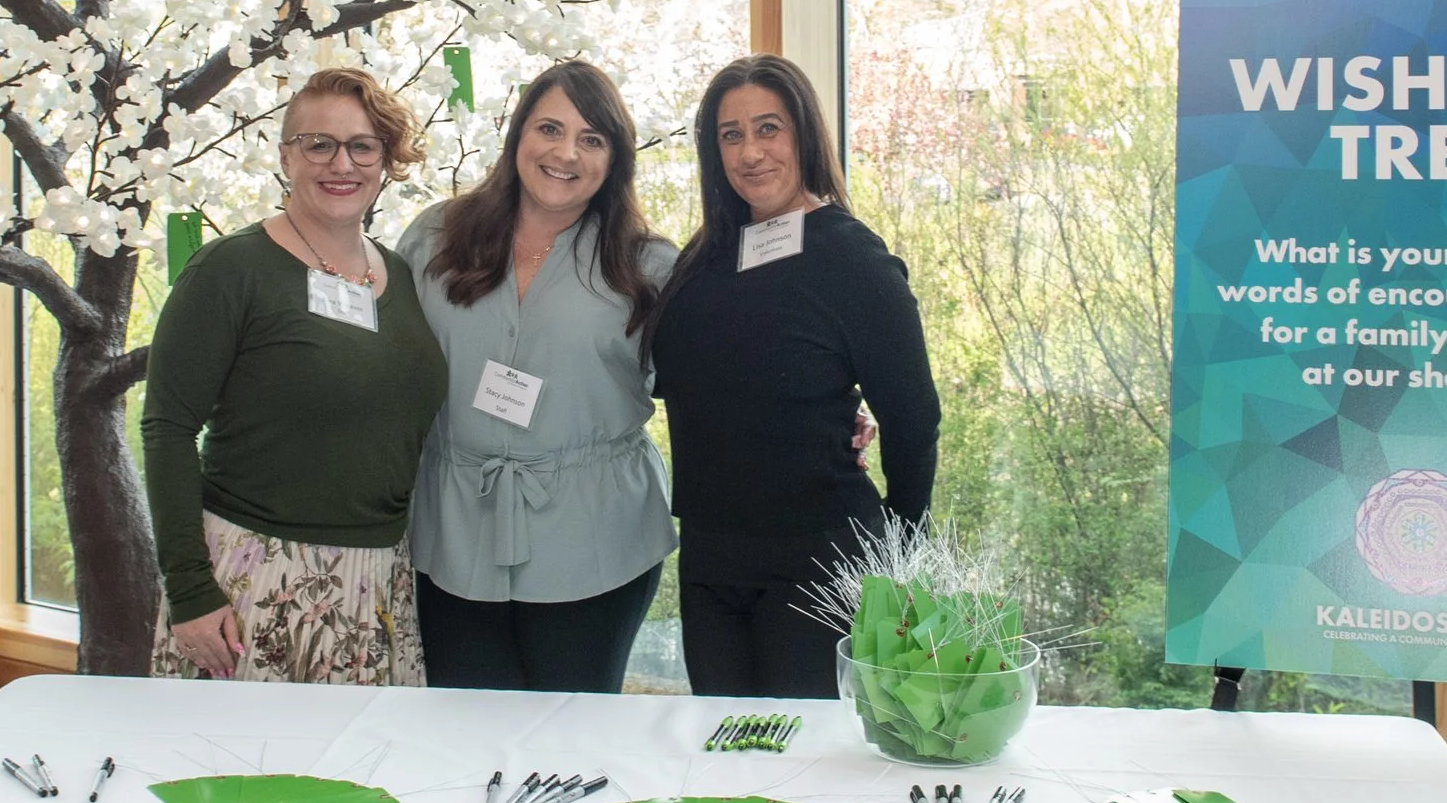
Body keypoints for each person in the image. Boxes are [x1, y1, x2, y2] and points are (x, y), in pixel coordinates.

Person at [644, 53, 940, 698]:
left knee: (802, 770)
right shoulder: (707, 257)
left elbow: (916, 419)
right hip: (711, 557)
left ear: (804, 132)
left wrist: (899, 558)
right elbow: (691, 382)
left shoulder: (850, 256)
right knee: (725, 757)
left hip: (818, 558)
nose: (751, 152)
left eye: (768, 128)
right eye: (731, 134)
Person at [141, 66, 448, 684]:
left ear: (384, 160)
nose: (343, 164)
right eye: (319, 144)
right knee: (246, 773)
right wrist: (190, 590)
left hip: (379, 581)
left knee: (361, 774)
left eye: (363, 146)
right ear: (287, 155)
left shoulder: (400, 275)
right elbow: (168, 429)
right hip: (254, 579)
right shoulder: (230, 270)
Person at [400, 61, 677, 692]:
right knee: (463, 729)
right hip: (453, 528)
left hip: (596, 532)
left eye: (591, 139)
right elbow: (378, 357)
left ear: (615, 158)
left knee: (571, 730)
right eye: (550, 128)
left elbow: (717, 383)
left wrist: (831, 414)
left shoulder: (648, 265)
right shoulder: (435, 238)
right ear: (518, 134)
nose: (565, 153)